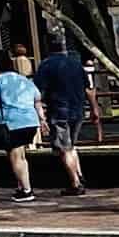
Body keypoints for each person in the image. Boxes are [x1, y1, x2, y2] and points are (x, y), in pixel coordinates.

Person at [0, 47, 44, 201]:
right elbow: (37, 99)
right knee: (21, 156)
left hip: (11, 122)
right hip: (30, 120)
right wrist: (42, 119)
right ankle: (22, 186)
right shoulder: (24, 80)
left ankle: (27, 190)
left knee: (16, 157)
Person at [33, 30, 91, 194]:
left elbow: (38, 91)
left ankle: (75, 182)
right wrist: (94, 108)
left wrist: (40, 114)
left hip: (59, 110)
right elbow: (88, 88)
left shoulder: (46, 65)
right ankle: (79, 174)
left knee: (64, 148)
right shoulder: (75, 63)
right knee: (71, 145)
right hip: (78, 109)